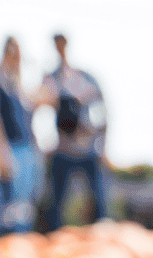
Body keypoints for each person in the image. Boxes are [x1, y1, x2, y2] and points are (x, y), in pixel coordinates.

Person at [0, 36, 48, 240]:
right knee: (6, 202)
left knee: (24, 205)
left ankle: (18, 244)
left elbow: (31, 112)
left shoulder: (17, 83)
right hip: (9, 147)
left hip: (27, 147)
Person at [43, 34, 108, 232]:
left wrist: (101, 142)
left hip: (87, 148)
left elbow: (103, 111)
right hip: (63, 149)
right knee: (55, 204)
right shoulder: (51, 78)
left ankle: (102, 238)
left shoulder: (85, 78)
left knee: (98, 201)